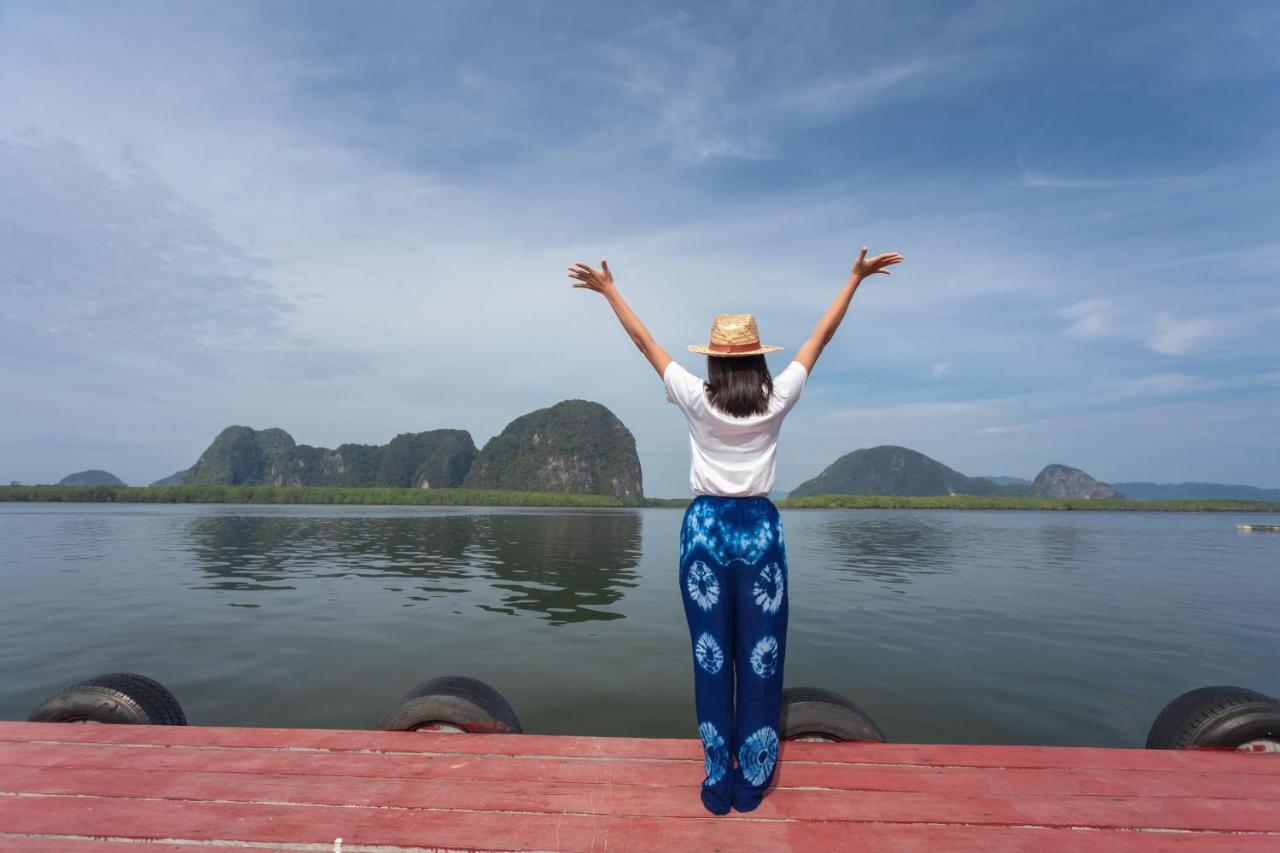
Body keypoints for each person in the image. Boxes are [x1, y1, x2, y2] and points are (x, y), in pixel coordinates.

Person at [567, 246, 904, 814]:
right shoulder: (777, 398)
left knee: (711, 655)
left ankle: (715, 779)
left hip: (705, 530)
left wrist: (609, 292)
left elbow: (644, 343)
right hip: (759, 533)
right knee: (761, 654)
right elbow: (819, 339)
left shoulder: (697, 398)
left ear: (716, 362)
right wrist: (854, 280)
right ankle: (752, 778)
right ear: (757, 361)